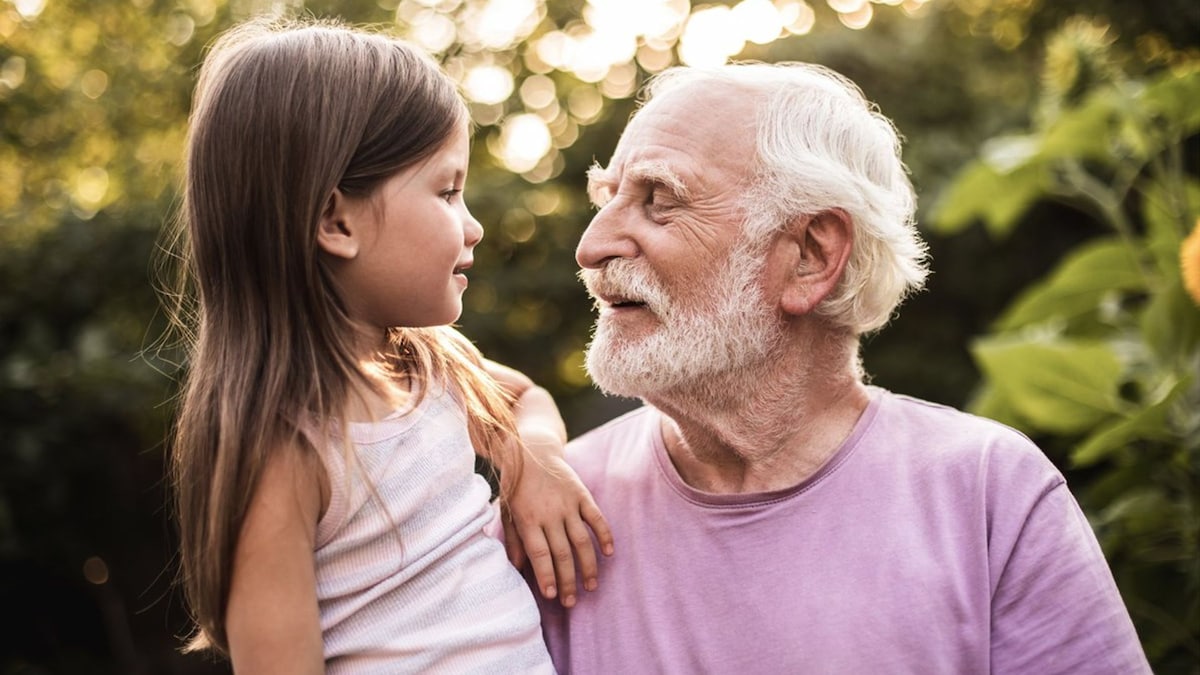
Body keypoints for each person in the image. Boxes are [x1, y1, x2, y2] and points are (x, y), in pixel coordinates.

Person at [534, 62, 1151, 673]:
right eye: (607, 198)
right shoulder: (553, 506)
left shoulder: (989, 492)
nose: (591, 247)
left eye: (660, 200)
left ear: (811, 255)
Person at [163, 18, 612, 673]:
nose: (474, 226)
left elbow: (524, 399)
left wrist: (530, 462)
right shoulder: (283, 445)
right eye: (447, 192)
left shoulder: (430, 364)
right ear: (335, 221)